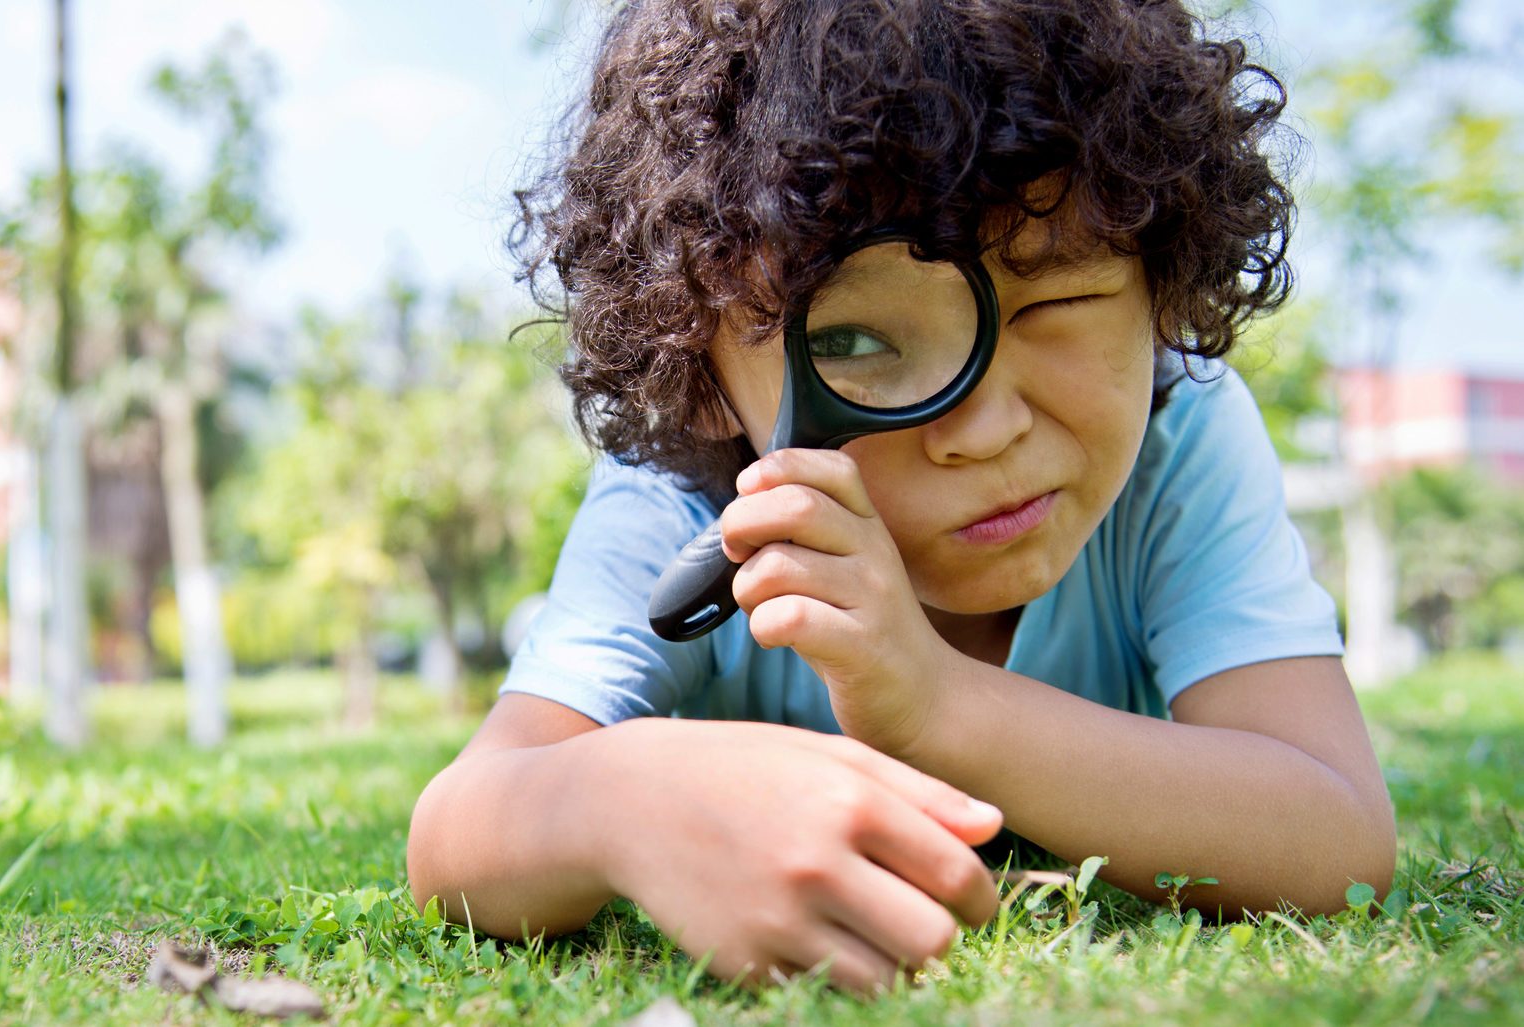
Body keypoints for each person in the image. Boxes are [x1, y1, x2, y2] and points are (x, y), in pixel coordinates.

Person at [407, 0, 1396, 994]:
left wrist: (931, 701)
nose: (982, 427)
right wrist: (618, 801)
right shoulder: (674, 505)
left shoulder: (1182, 431)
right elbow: (457, 830)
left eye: (1056, 302)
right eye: (853, 343)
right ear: (699, 370)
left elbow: (1333, 832)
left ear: (1163, 282)